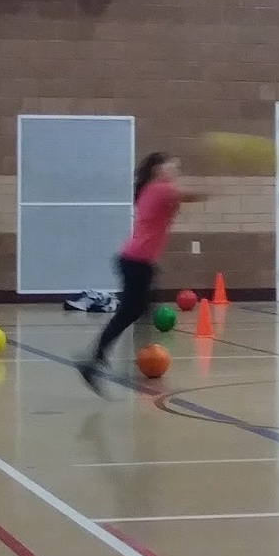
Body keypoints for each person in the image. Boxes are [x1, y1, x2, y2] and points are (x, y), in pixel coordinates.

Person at [76, 152, 206, 395]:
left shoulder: (151, 189)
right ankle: (95, 359)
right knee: (131, 312)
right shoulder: (160, 189)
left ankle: (114, 358)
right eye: (172, 166)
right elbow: (188, 195)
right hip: (136, 261)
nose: (176, 170)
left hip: (139, 261)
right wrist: (214, 192)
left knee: (139, 310)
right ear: (158, 169)